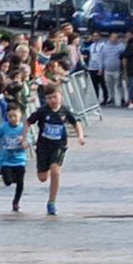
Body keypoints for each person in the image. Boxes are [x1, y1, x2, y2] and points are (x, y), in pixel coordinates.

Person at [28, 81, 86, 216]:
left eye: (55, 97)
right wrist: (25, 138)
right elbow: (28, 122)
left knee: (56, 172)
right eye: (49, 98)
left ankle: (51, 202)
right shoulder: (42, 111)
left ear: (60, 96)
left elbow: (76, 123)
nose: (52, 100)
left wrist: (80, 137)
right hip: (43, 146)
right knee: (42, 178)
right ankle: (46, 168)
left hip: (59, 146)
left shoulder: (65, 110)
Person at [0, 103, 29, 213]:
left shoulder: (23, 128)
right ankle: (10, 177)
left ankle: (16, 202)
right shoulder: (4, 127)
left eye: (15, 116)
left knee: (20, 182)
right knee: (8, 182)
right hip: (6, 160)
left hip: (19, 159)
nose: (12, 119)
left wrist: (25, 142)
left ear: (20, 115)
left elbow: (29, 140)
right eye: (10, 117)